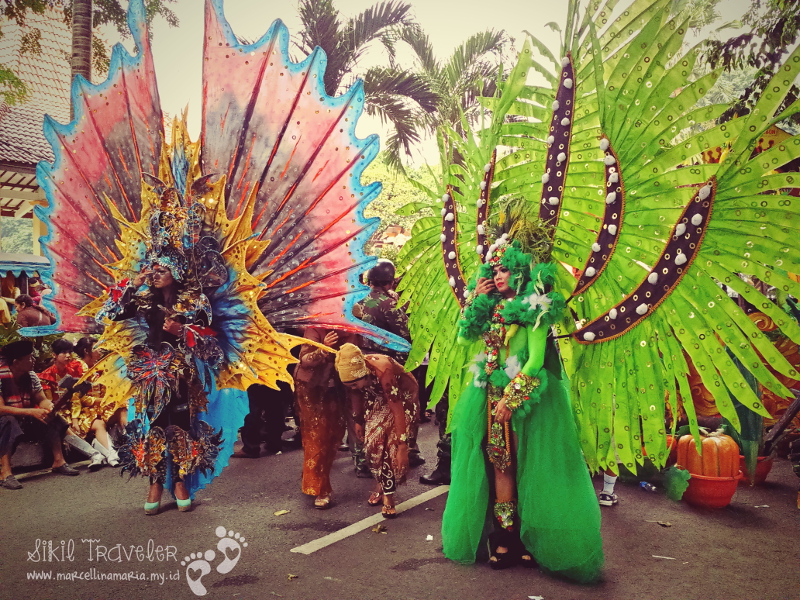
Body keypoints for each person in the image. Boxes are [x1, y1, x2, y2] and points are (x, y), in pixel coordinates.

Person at [441, 238, 603, 582]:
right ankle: (506, 538)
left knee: (531, 465)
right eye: (494, 270)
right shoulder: (489, 306)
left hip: (529, 400)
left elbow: (535, 360)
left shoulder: (536, 307)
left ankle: (533, 538)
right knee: (501, 465)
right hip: (488, 396)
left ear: (520, 271)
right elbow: (463, 339)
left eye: (505, 269)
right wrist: (475, 300)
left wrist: (511, 399)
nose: (498, 276)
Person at [335, 343, 418, 518]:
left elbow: (396, 407)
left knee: (390, 448)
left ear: (365, 374)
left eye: (354, 384)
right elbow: (356, 394)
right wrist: (358, 421)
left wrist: (403, 444)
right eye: (349, 385)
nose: (352, 387)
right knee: (372, 445)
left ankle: (388, 496)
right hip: (376, 395)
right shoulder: (355, 377)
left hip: (402, 398)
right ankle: (382, 483)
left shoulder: (383, 369)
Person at [0, 340, 79, 489]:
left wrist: (49, 407)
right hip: (4, 423)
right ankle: (5, 472)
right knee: (8, 421)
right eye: (29, 358)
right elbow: (1, 409)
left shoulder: (31, 376)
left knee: (49, 417)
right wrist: (31, 411)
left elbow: (41, 399)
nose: (34, 360)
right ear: (16, 362)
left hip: (23, 419)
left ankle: (59, 461)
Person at [292, 328, 354, 509]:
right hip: (311, 388)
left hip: (337, 388)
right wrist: (324, 348)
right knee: (317, 437)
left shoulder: (351, 328)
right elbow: (305, 360)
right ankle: (320, 488)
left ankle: (311, 475)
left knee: (334, 436)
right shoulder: (315, 328)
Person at [38, 338, 108, 471]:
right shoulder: (46, 376)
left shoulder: (73, 371)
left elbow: (76, 399)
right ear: (54, 355)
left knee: (89, 421)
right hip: (57, 412)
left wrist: (75, 418)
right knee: (63, 423)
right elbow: (49, 404)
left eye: (69, 352)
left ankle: (104, 453)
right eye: (63, 352)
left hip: (75, 410)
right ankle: (95, 454)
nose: (68, 355)